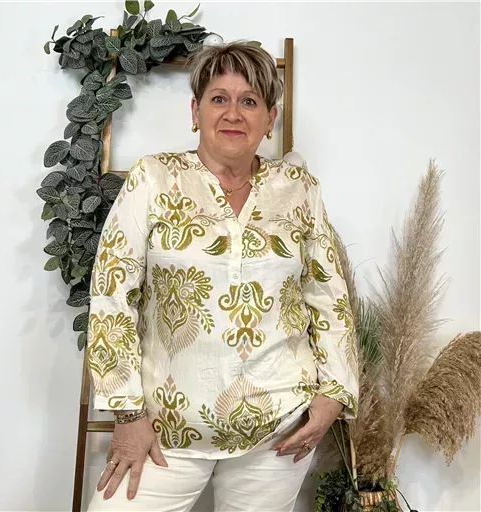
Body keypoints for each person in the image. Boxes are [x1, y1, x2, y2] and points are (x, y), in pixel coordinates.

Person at [86, 41, 358, 512]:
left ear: (270, 119)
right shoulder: (153, 178)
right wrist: (127, 413)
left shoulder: (299, 190)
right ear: (196, 111)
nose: (233, 113)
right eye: (219, 98)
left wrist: (334, 394)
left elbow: (328, 297)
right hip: (164, 430)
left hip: (278, 433)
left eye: (249, 101)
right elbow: (113, 294)